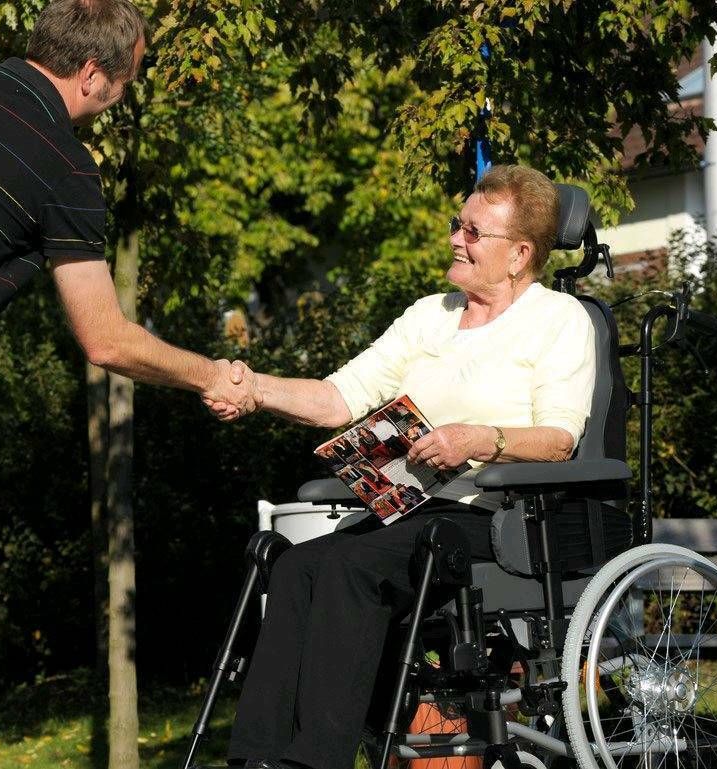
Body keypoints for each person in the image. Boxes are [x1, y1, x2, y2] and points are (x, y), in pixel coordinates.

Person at [0, 2, 259, 767]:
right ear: (93, 74)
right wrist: (215, 374)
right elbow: (106, 337)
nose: (119, 101)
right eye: (124, 84)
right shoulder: (66, 167)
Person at [207, 164, 595, 769]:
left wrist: (477, 438)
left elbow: (559, 440)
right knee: (297, 564)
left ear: (520, 253)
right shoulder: (429, 316)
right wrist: (254, 388)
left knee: (349, 566)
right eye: (455, 224)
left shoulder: (560, 322)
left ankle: (316, 760)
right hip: (407, 505)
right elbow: (338, 396)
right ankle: (253, 759)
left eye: (472, 232)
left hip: (494, 514)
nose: (454, 240)